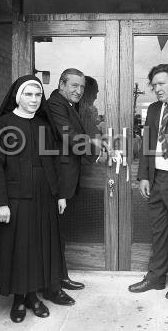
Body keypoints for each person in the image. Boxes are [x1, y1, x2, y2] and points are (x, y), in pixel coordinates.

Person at [0, 75, 69, 322]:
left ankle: (34, 296)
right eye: (29, 94)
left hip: (44, 196)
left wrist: (60, 194)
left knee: (38, 247)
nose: (34, 100)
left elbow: (52, 161)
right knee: (19, 248)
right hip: (16, 198)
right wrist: (1, 202)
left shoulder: (44, 125)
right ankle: (18, 299)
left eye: (38, 95)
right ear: (17, 96)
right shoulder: (4, 123)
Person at [128, 63, 168, 300]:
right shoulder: (155, 109)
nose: (157, 89)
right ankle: (155, 277)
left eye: (161, 83)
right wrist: (144, 175)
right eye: (154, 85)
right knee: (159, 230)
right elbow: (147, 143)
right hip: (156, 178)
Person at [47, 68, 106, 300]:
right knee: (54, 235)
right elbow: (68, 136)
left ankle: (60, 278)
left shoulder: (67, 105)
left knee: (59, 233)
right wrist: (97, 153)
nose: (79, 91)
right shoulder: (55, 104)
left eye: (82, 87)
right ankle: (54, 285)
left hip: (66, 180)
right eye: (74, 86)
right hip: (58, 182)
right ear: (62, 84)